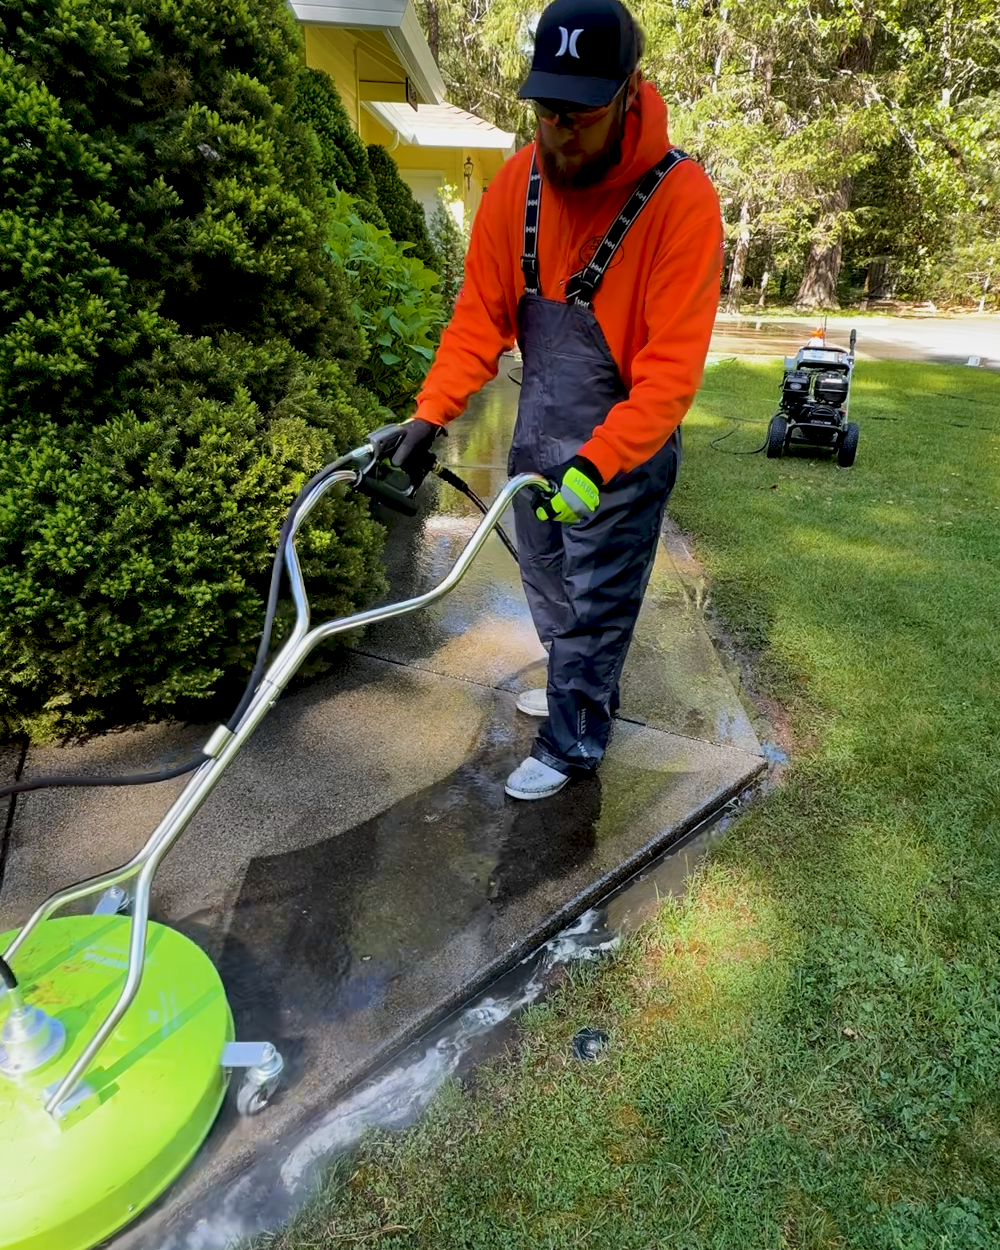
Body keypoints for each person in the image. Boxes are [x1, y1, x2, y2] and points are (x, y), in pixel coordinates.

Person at [391, 0, 723, 801]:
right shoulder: (518, 185)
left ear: (628, 93)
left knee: (596, 604)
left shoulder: (680, 201)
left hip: (622, 448)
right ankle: (579, 689)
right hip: (539, 436)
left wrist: (599, 463)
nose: (560, 131)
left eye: (580, 115)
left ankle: (575, 740)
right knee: (546, 585)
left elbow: (670, 375)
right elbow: (479, 319)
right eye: (547, 112)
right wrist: (428, 414)